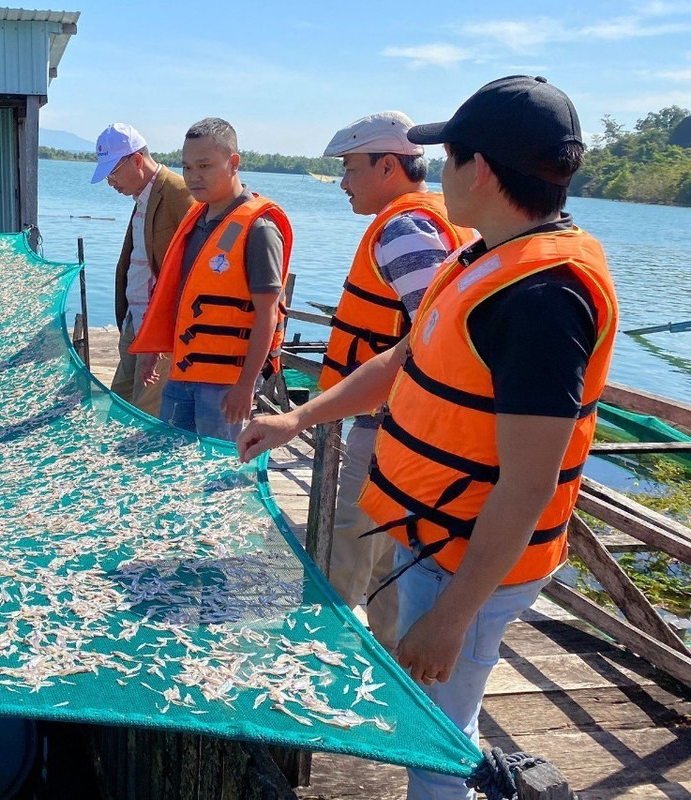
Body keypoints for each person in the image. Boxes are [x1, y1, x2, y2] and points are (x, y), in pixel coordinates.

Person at [237, 76, 617, 800]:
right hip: (428, 538)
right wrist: (300, 417)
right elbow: (401, 359)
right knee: (431, 725)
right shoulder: (483, 258)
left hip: (467, 564)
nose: (438, 173)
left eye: (447, 157)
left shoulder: (544, 296)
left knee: (439, 743)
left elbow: (530, 482)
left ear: (478, 169)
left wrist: (452, 615)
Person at [318, 111, 475, 648]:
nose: (343, 182)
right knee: (391, 560)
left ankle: (320, 656)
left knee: (347, 548)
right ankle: (389, 671)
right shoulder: (441, 218)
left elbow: (441, 332)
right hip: (409, 430)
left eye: (351, 168)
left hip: (391, 430)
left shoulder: (404, 228)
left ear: (389, 166)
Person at [130, 117, 292, 442]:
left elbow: (267, 314)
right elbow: (179, 295)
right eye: (187, 167)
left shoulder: (259, 229)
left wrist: (246, 387)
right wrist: (153, 350)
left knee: (218, 476)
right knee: (170, 463)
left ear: (233, 163)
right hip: (182, 372)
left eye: (204, 165)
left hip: (225, 385)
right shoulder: (196, 219)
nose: (193, 176)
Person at [91, 123, 195, 417]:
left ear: (136, 160)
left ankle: (133, 463)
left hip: (157, 329)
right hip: (134, 321)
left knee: (143, 415)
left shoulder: (179, 193)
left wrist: (160, 336)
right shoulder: (143, 197)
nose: (111, 182)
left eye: (113, 173)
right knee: (120, 405)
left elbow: (188, 273)